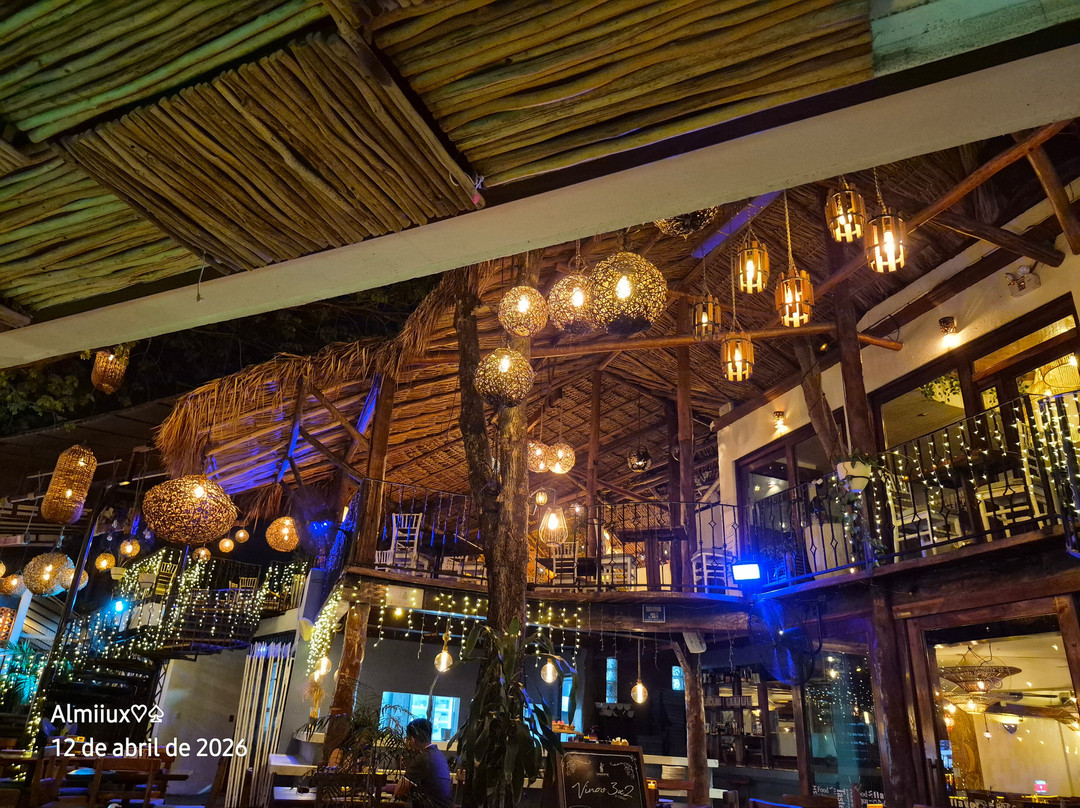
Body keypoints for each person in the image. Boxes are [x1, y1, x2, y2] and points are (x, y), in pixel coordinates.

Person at [382, 718, 453, 808]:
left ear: (413, 739)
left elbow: (399, 791)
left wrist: (382, 788)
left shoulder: (422, 758)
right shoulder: (438, 754)